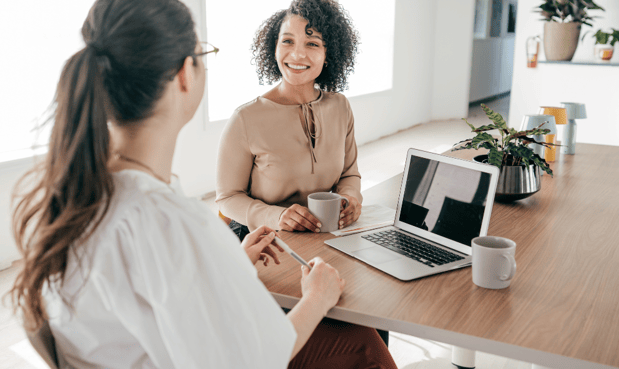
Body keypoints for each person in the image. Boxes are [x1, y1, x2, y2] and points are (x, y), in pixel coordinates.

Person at [8, 0, 396, 368]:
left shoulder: (77, 194)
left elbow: (158, 299)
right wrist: (317, 296)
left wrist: (232, 263)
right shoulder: (172, 221)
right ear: (184, 74)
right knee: (365, 346)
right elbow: (255, 358)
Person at [216, 0, 363, 240]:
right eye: (287, 41)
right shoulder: (245, 118)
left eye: (312, 43)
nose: (297, 53)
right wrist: (277, 216)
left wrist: (350, 199)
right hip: (263, 241)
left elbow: (349, 174)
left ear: (329, 55)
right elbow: (227, 199)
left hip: (322, 235)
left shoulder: (340, 107)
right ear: (274, 48)